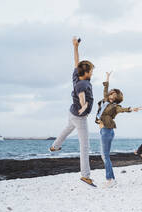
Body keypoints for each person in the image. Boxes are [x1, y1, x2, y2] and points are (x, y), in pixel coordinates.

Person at [49, 37, 96, 187]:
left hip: (72, 113)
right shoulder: (82, 84)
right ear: (87, 72)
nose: (93, 73)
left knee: (68, 128)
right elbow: (81, 96)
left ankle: (55, 146)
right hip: (79, 116)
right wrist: (83, 107)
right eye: (92, 71)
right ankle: (85, 176)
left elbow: (77, 62)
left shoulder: (77, 75)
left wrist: (75, 47)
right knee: (85, 146)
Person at [96, 71, 142, 188]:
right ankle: (111, 179)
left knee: (105, 156)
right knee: (104, 156)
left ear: (117, 98)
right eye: (111, 94)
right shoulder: (105, 101)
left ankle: (110, 179)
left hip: (107, 130)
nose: (111, 96)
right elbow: (105, 89)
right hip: (104, 130)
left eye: (114, 95)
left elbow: (122, 109)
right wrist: (107, 77)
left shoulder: (114, 106)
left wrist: (132, 109)